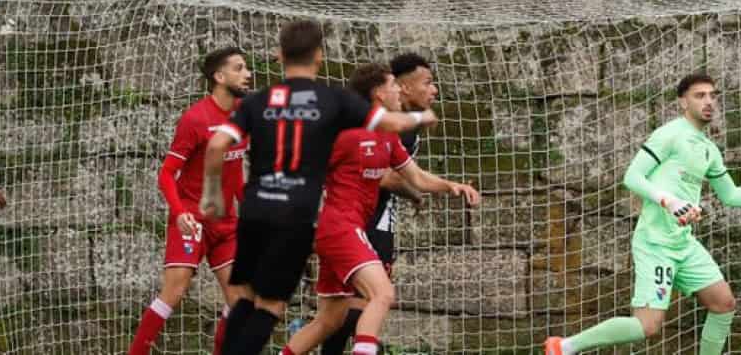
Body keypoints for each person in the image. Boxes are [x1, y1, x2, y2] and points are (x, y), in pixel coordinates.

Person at [198, 20, 438, 355]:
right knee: (286, 308)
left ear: (280, 55)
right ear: (319, 57)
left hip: (262, 215)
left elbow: (215, 146)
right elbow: (386, 123)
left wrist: (211, 193)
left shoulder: (259, 101)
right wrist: (420, 118)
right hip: (306, 216)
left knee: (259, 308)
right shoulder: (334, 101)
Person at [543, 73, 741, 355]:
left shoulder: (709, 149)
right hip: (655, 243)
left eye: (713, 96)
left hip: (683, 243)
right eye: (699, 96)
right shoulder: (669, 134)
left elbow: (730, 194)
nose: (709, 102)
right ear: (682, 102)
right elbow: (632, 177)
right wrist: (669, 201)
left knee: (723, 303)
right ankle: (564, 347)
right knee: (647, 326)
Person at [277, 63, 480, 355]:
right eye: (393, 86)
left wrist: (452, 186)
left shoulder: (388, 135)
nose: (398, 89)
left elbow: (417, 177)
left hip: (346, 230)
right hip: (339, 227)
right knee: (382, 294)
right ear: (378, 94)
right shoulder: (345, 133)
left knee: (328, 321)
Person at [126, 49, 251, 355]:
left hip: (226, 223)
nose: (248, 74)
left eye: (246, 68)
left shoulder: (243, 117)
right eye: (239, 68)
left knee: (241, 300)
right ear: (219, 78)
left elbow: (235, 174)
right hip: (192, 219)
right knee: (175, 290)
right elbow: (166, 173)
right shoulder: (195, 119)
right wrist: (179, 212)